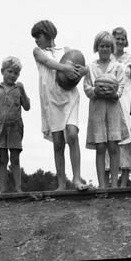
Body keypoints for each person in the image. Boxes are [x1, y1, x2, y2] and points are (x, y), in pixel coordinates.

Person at [31, 20, 88, 191]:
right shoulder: (37, 51)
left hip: (69, 96)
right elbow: (48, 63)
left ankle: (77, 179)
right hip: (52, 99)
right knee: (58, 142)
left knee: (72, 134)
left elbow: (80, 67)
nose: (36, 40)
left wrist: (83, 71)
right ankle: (62, 184)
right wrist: (66, 68)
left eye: (38, 36)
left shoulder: (67, 50)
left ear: (48, 33)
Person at [84, 31, 129, 188]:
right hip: (97, 110)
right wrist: (95, 91)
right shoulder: (90, 67)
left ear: (112, 48)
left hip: (113, 110)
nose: (105, 49)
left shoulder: (118, 67)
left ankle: (115, 185)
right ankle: (102, 185)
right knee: (101, 147)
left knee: (113, 146)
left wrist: (113, 93)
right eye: (102, 46)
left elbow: (121, 87)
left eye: (108, 46)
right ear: (97, 47)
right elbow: (87, 87)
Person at [0, 56, 31, 193]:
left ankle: (18, 189)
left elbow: (27, 107)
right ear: (2, 71)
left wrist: (23, 90)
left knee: (15, 158)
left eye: (16, 73)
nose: (13, 75)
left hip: (15, 127)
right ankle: (2, 189)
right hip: (0, 127)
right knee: (2, 159)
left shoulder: (19, 89)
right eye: (10, 71)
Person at [104, 26, 131, 186]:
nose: (119, 41)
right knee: (107, 140)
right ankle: (105, 183)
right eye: (117, 38)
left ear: (126, 41)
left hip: (127, 101)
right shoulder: (106, 57)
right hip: (109, 101)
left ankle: (123, 184)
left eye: (122, 38)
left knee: (127, 141)